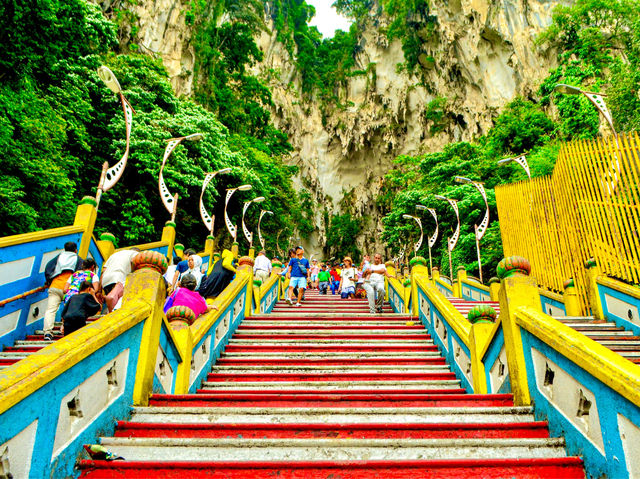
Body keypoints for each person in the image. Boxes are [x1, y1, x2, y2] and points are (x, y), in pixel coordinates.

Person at [43, 241, 83, 341]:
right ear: (76, 250)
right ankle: (65, 329)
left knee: (50, 310)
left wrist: (48, 281)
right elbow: (81, 273)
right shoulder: (78, 259)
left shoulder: (58, 257)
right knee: (69, 310)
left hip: (55, 285)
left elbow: (48, 268)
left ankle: (47, 332)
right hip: (70, 288)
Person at [101, 248, 140, 313]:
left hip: (105, 281)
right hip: (119, 278)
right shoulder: (135, 254)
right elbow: (134, 262)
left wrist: (99, 290)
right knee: (119, 301)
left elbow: (103, 271)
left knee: (112, 302)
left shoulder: (114, 255)